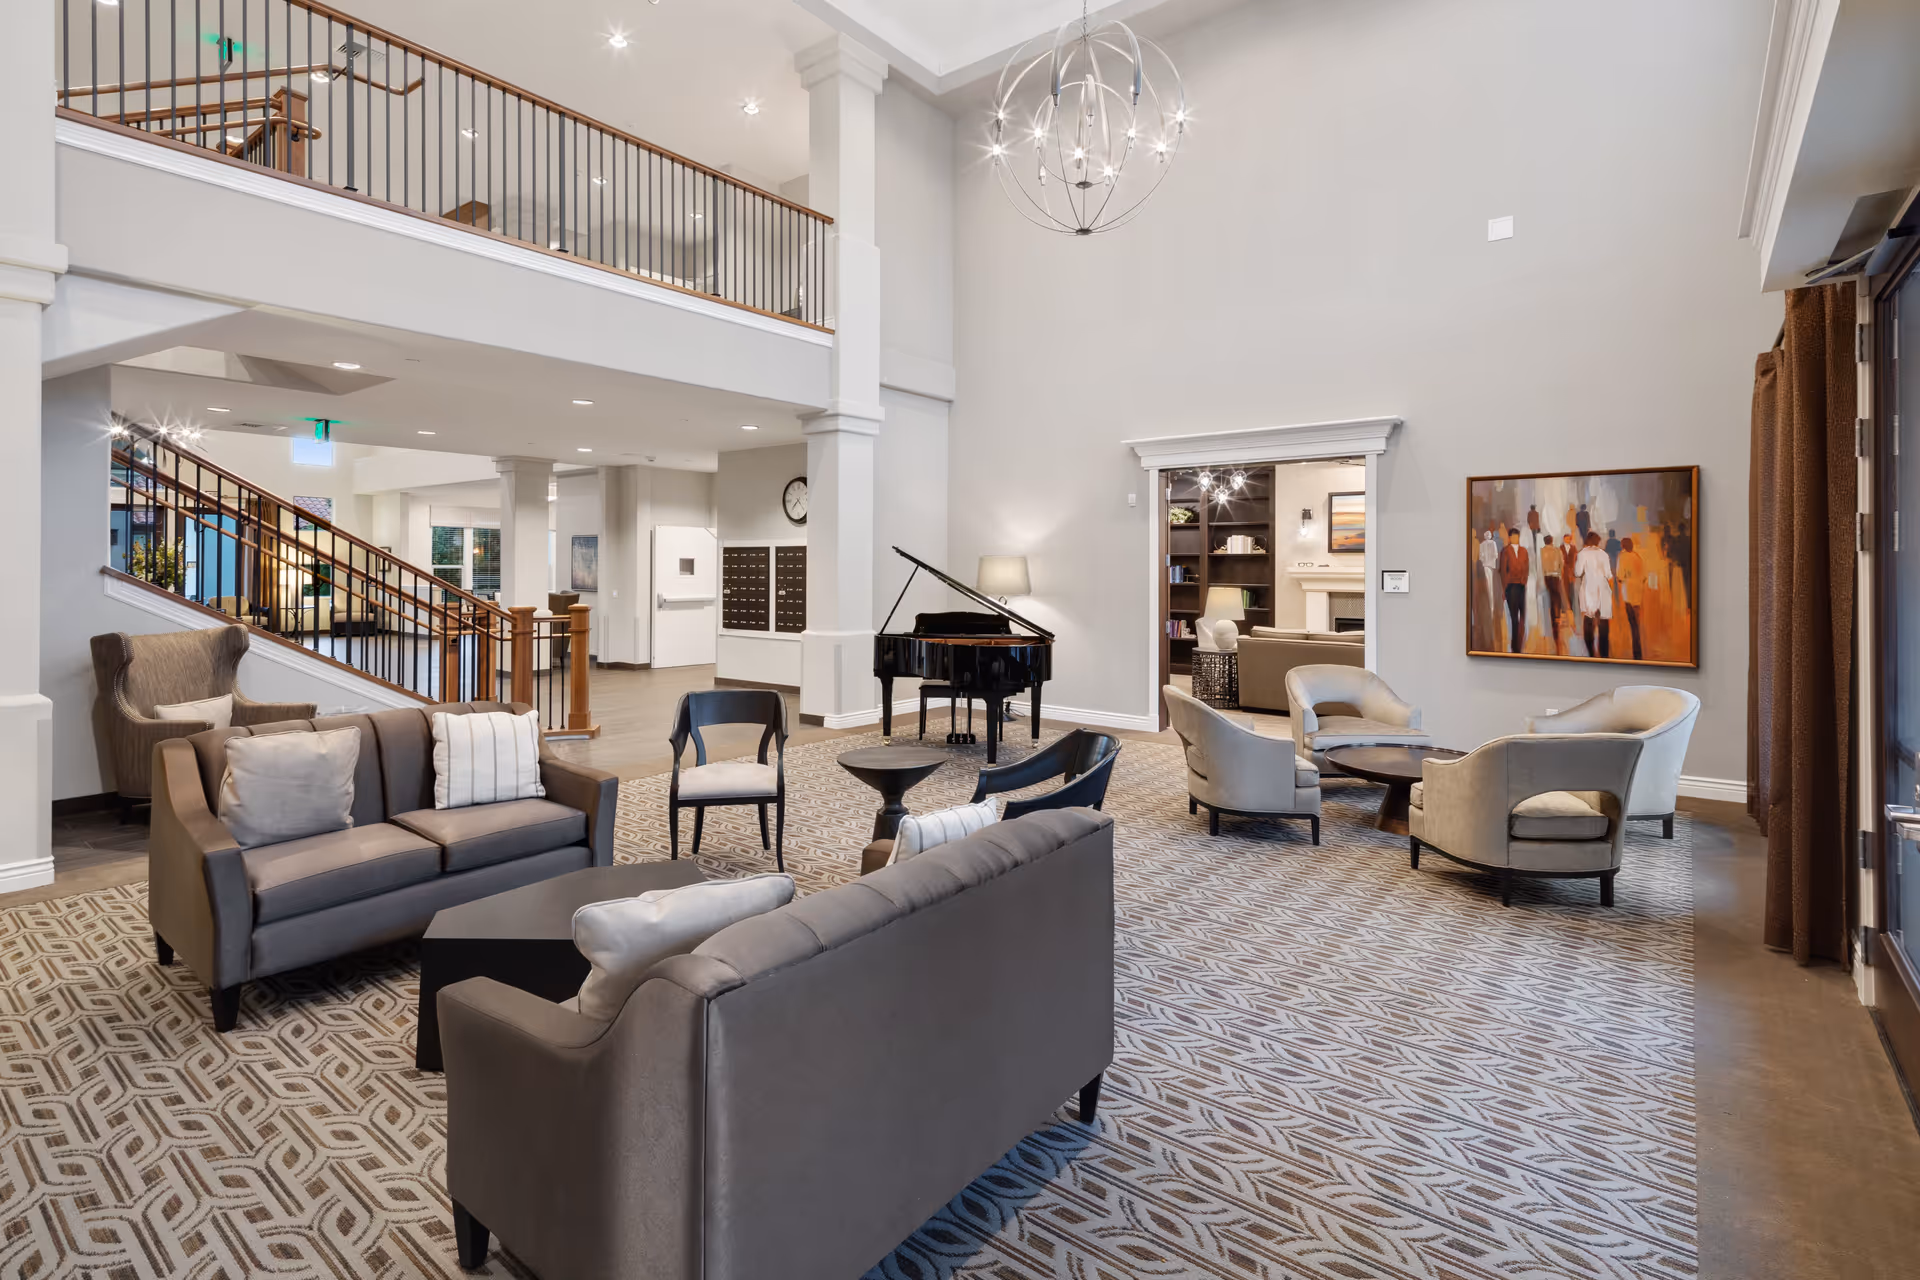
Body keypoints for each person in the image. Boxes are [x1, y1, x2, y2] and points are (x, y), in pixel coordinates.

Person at [1574, 530, 1613, 658]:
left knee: (1589, 622)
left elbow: (1578, 572)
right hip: (1602, 589)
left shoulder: (1582, 554)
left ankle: (1591, 652)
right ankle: (1604, 653)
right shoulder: (1604, 554)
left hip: (1589, 589)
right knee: (1603, 623)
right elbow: (1608, 574)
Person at [1500, 527, 1529, 653]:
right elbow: (1502, 571)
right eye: (1513, 537)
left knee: (1523, 615)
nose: (1515, 539)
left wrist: (1524, 581)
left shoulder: (1524, 551)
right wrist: (1504, 588)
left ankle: (1519, 642)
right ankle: (1515, 646)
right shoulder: (1505, 551)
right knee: (1514, 618)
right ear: (1509, 538)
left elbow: (1527, 567)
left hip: (1522, 586)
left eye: (1517, 537)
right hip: (1511, 586)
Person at [1617, 535, 1645, 659]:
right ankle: (1638, 650)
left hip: (1628, 592)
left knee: (1632, 622)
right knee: (1637, 621)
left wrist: (1623, 579)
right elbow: (1644, 576)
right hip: (1638, 591)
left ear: (1623, 546)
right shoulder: (1637, 557)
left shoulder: (1622, 557)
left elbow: (1620, 576)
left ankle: (1636, 651)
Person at [1539, 534, 1564, 646]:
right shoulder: (1557, 550)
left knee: (1550, 595)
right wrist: (1559, 574)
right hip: (1555, 575)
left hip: (1547, 576)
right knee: (1556, 596)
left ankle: (1552, 615)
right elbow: (1561, 563)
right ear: (1552, 540)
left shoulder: (1541, 551)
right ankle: (1557, 614)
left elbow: (1540, 566)